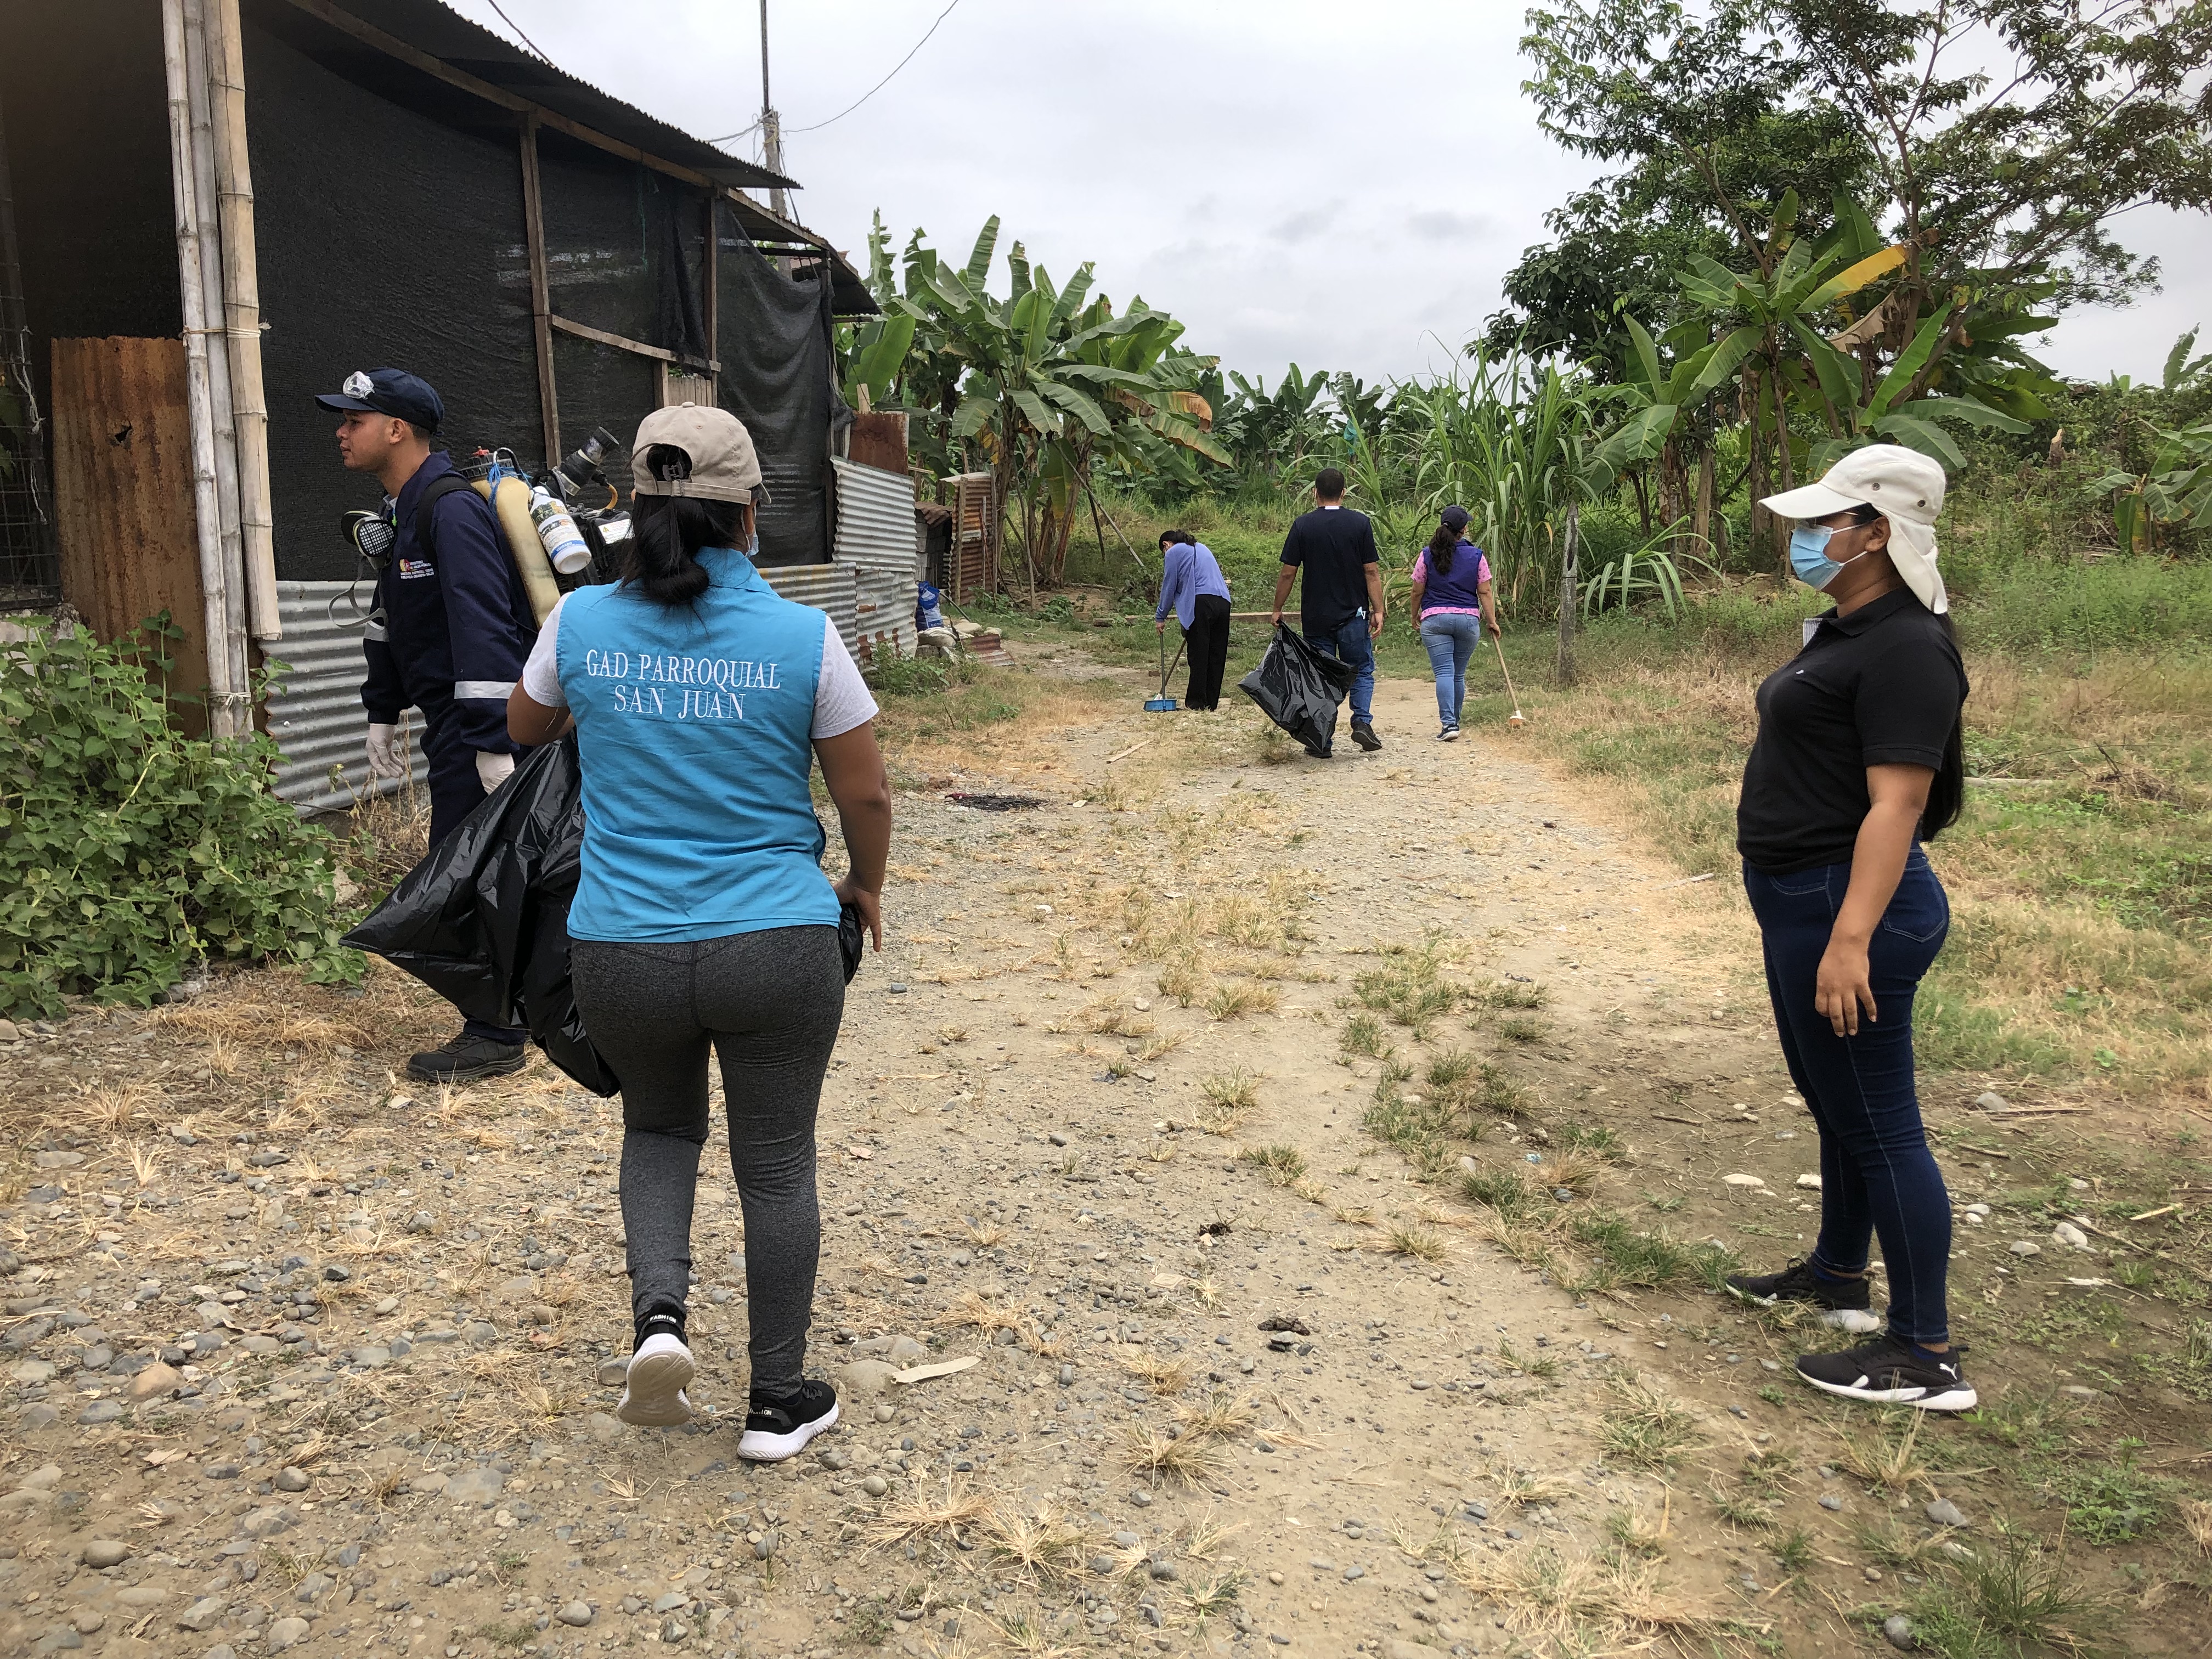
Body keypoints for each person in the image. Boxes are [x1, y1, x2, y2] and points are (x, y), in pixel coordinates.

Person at [506, 403, 892, 1460]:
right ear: (750, 514)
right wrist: (862, 886)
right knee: (776, 1163)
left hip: (621, 947)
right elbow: (865, 793)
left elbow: (524, 724)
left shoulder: (580, 623)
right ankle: (777, 1399)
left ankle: (660, 1323)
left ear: (634, 507)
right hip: (776, 942)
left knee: (659, 1130)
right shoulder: (803, 637)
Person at [1722, 444, 1974, 1412]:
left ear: (1877, 534)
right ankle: (1838, 1274)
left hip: (1847, 905)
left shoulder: (1908, 645)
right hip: (1802, 896)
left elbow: (1898, 803)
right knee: (1837, 1102)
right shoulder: (1849, 627)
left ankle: (1924, 1352)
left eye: (1822, 523)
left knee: (1879, 1122)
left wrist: (1851, 939)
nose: (1802, 537)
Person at [321, 368, 533, 1082]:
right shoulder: (402, 512)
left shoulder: (450, 511)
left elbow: (484, 625)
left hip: (478, 727)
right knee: (475, 868)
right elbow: (390, 620)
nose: (341, 433)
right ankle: (517, 1010)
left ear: (397, 429)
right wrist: (381, 711)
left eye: (354, 420)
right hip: (452, 724)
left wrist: (492, 742)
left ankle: (496, 1034)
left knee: (469, 874)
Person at [1271, 467, 1384, 752]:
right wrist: (1378, 610)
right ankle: (1362, 722)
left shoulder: (1303, 525)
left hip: (1316, 616)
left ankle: (1321, 740)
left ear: (1315, 493)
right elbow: (1371, 572)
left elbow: (1288, 573)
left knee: (1319, 676)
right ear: (1344, 492)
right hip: (1354, 615)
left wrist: (1277, 608)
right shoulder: (1360, 524)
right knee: (1361, 669)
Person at [1408, 505, 1498, 740]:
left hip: (1435, 619)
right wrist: (1492, 621)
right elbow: (1485, 592)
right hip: (1468, 620)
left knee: (1444, 673)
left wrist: (1414, 615)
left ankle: (1449, 725)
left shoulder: (1426, 555)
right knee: (1459, 674)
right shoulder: (1476, 556)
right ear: (1464, 529)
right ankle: (1455, 722)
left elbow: (1417, 590)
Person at [1154, 529, 1233, 710]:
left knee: (1199, 654)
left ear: (1166, 545)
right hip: (1223, 602)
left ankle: (1196, 703)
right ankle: (1210, 703)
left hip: (1201, 602)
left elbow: (1169, 585)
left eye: (1163, 551)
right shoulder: (1201, 547)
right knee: (1216, 654)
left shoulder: (1173, 552)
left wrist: (1160, 616)